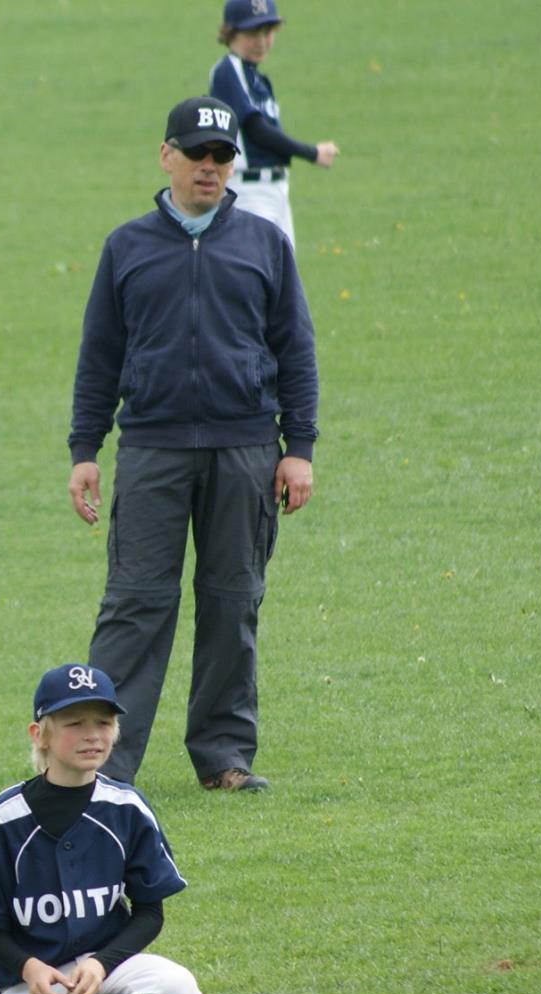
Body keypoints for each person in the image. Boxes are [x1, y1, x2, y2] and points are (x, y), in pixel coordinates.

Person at [65, 95, 319, 793]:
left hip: (245, 451)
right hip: (152, 450)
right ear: (166, 155)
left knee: (232, 601)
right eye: (197, 155)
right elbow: (100, 357)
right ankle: (105, 764)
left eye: (222, 158)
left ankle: (224, 758)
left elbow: (296, 350)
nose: (210, 169)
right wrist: (85, 449)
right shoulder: (127, 246)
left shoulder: (265, 244)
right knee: (135, 604)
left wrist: (299, 447)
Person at [0, 664, 205, 994]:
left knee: (177, 992)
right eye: (74, 724)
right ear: (40, 734)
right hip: (37, 986)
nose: (93, 735)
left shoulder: (126, 807)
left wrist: (103, 964)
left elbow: (150, 910)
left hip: (107, 972)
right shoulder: (5, 820)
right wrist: (28, 967)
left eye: (104, 723)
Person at [206, 0, 338, 246]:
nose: (262, 41)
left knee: (282, 278)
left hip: (275, 190)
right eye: (253, 32)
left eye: (268, 32)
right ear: (231, 32)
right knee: (258, 273)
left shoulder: (258, 79)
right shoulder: (228, 69)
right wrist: (312, 153)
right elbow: (255, 129)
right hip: (249, 193)